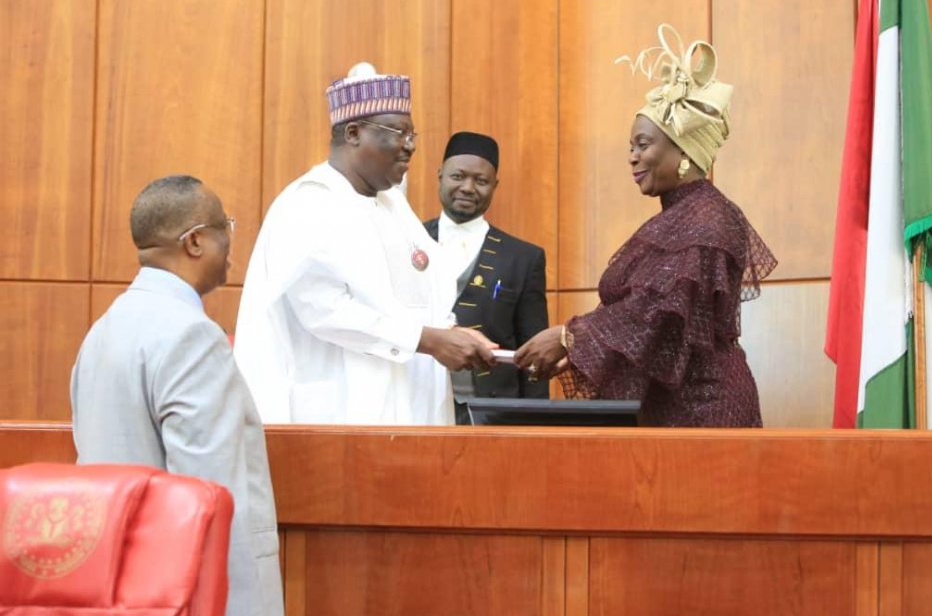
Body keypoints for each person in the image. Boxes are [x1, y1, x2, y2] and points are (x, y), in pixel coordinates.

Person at [515, 24, 777, 427]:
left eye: (643, 144)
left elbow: (658, 315)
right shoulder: (681, 215)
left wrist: (570, 337)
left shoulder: (708, 217)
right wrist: (575, 346)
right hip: (675, 410)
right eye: (630, 148)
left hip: (708, 413)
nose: (632, 158)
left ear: (683, 150)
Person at [70, 175, 286, 616]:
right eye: (223, 226)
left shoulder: (103, 331)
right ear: (194, 241)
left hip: (115, 597)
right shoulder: (191, 336)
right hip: (188, 611)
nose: (231, 240)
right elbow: (213, 497)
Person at [234, 69, 496, 425]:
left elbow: (413, 298)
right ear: (353, 134)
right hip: (339, 412)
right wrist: (429, 340)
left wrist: (449, 333)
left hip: (406, 406)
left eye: (412, 134)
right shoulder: (309, 203)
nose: (411, 145)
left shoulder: (393, 206)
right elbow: (324, 308)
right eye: (398, 132)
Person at [424, 132, 550, 424]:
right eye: (458, 176)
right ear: (440, 176)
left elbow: (534, 351)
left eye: (480, 181)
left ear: (495, 186)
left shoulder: (523, 258)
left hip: (491, 412)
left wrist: (535, 422)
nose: (468, 188)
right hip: (420, 401)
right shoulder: (407, 242)